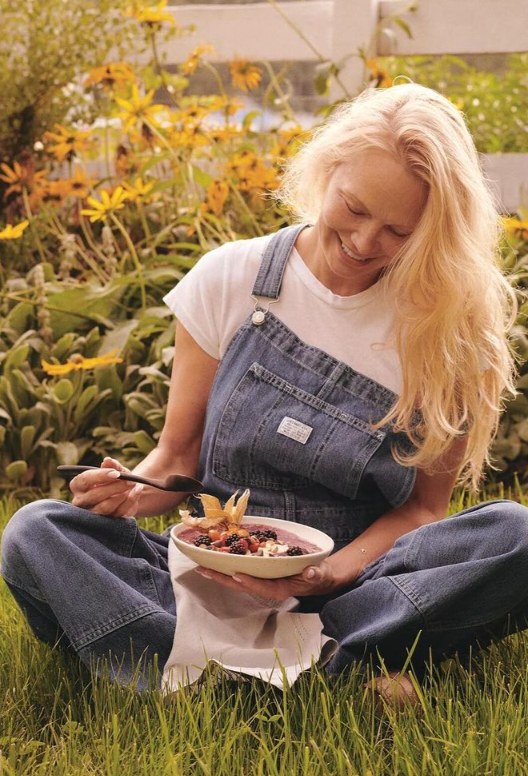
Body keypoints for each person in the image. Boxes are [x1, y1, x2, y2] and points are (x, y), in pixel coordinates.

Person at [3, 83, 528, 701]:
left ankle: (216, 676)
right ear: (325, 170)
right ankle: (337, 677)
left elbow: (419, 514)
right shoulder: (232, 278)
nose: (363, 243)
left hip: (354, 588)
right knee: (37, 533)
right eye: (354, 208)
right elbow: (177, 459)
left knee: (514, 534)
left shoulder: (447, 335)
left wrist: (320, 574)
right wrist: (126, 495)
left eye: (397, 231)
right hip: (208, 578)